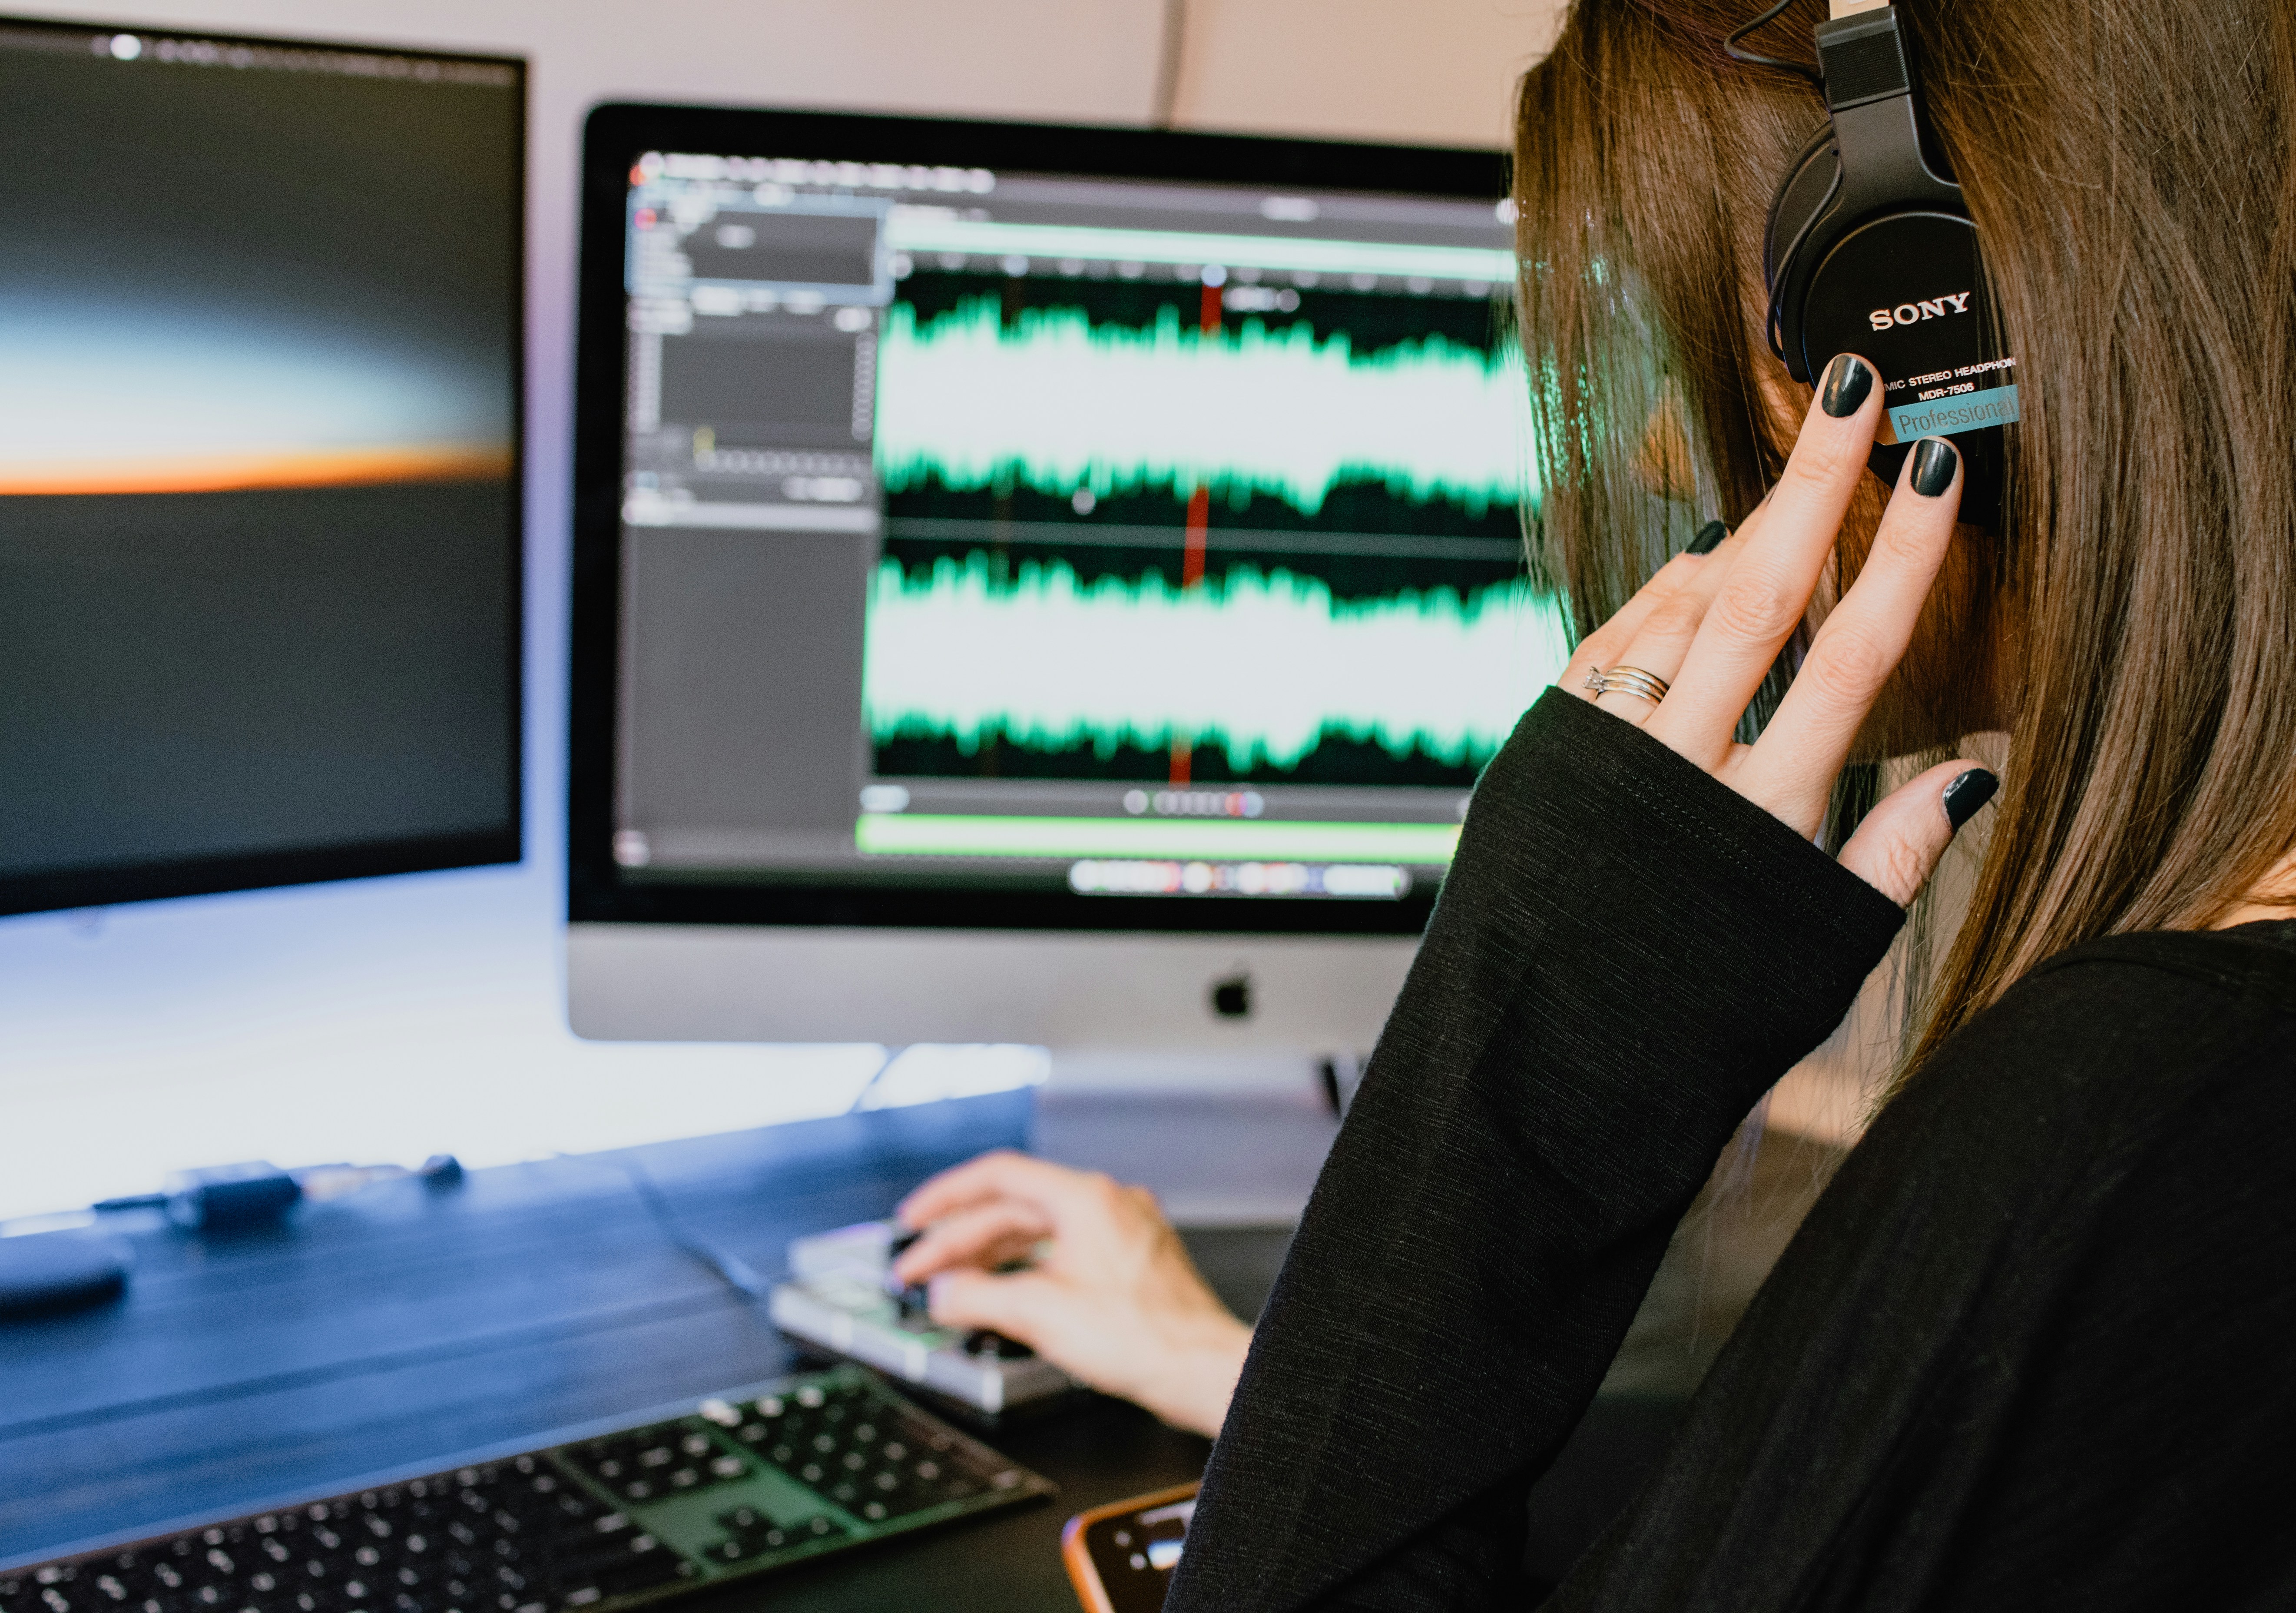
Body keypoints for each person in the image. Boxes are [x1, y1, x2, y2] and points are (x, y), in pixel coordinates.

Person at [920, 0, 2296, 1606]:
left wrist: (1530, 1031)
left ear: (1944, 334)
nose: (1654, 443)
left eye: (1746, 342)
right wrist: (1286, 1391)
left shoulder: (2127, 1123)